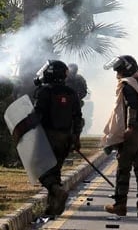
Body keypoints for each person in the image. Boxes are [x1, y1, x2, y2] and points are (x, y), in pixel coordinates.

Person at [102, 55, 138, 218]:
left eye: (119, 70)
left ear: (126, 69)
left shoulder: (127, 85)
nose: (117, 75)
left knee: (123, 169)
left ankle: (120, 205)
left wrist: (129, 127)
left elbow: (132, 107)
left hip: (133, 133)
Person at [33, 60, 83, 216]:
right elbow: (78, 118)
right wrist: (76, 137)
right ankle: (52, 207)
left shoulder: (44, 92)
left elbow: (37, 115)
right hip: (65, 138)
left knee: (41, 171)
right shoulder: (71, 93)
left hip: (47, 136)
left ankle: (57, 190)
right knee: (56, 171)